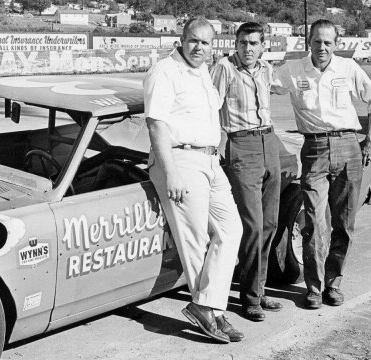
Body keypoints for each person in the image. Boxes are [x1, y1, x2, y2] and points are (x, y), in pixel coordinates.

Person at [144, 16, 244, 343]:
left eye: (205, 42)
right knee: (195, 239)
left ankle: (209, 305)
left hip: (208, 160)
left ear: (213, 46)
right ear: (182, 39)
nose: (198, 47)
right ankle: (210, 311)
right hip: (181, 158)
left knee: (232, 229)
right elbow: (156, 124)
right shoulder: (165, 71)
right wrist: (170, 170)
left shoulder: (202, 71)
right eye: (193, 40)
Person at [272, 19, 371, 309]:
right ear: (307, 41)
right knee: (312, 222)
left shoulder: (348, 68)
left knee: (343, 224)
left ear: (336, 44)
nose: (321, 47)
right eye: (316, 41)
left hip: (349, 147)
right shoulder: (293, 70)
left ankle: (333, 284)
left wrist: (370, 140)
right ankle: (313, 288)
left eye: (327, 42)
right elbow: (262, 82)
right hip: (314, 150)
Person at [210, 22, 283, 322]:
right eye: (243, 43)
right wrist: (215, 147)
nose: (248, 49)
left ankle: (259, 288)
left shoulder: (266, 69)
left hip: (269, 141)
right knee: (252, 225)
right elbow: (211, 108)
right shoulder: (225, 68)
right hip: (241, 144)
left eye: (254, 43)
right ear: (236, 44)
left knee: (270, 223)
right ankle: (249, 297)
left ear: (263, 45)